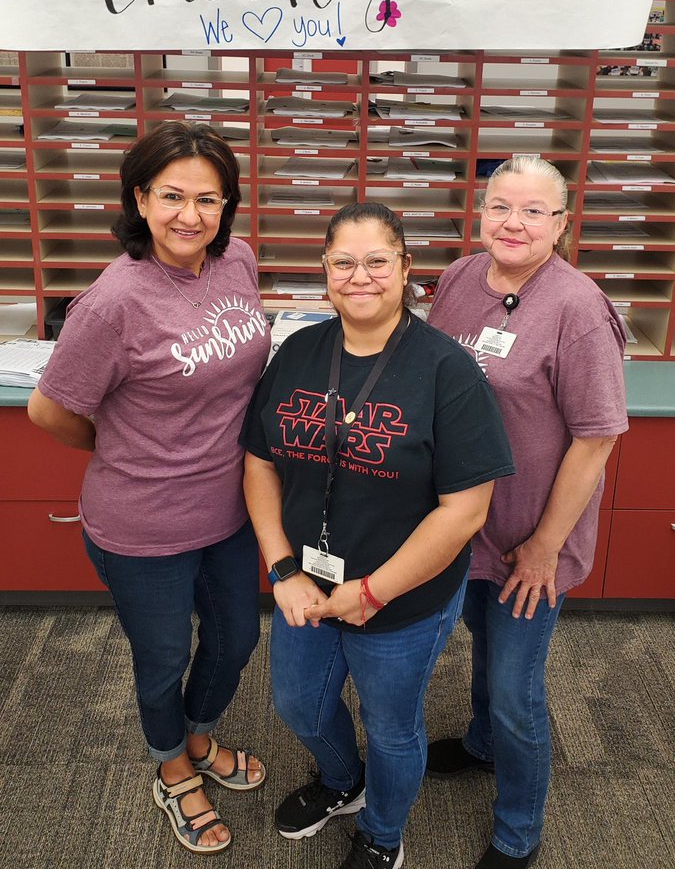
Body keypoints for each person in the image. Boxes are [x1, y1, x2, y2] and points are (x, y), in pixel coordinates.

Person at [241, 202, 515, 869]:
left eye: (375, 262)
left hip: (403, 598)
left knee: (392, 729)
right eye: (343, 263)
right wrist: (281, 569)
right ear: (325, 272)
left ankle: (383, 835)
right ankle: (342, 782)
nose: (358, 277)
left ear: (404, 271)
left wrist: (374, 590)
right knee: (297, 706)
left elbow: (463, 512)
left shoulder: (446, 372)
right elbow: (257, 463)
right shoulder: (300, 351)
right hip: (308, 583)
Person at [28, 121, 270, 855]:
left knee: (234, 641)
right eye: (170, 196)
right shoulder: (113, 303)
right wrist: (125, 449)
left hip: (229, 509)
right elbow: (50, 409)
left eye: (208, 198)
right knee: (162, 657)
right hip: (143, 523)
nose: (189, 216)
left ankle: (198, 738)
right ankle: (172, 768)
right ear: (139, 197)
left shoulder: (238, 263)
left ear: (228, 205)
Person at [425, 156, 628, 869]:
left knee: (515, 686)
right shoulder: (456, 278)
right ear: (479, 212)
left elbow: (597, 436)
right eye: (499, 206)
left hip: (527, 534)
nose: (513, 223)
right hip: (460, 523)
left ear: (562, 224)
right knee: (480, 641)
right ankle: (481, 746)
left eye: (533, 211)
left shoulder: (576, 308)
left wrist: (545, 543)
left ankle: (518, 830)